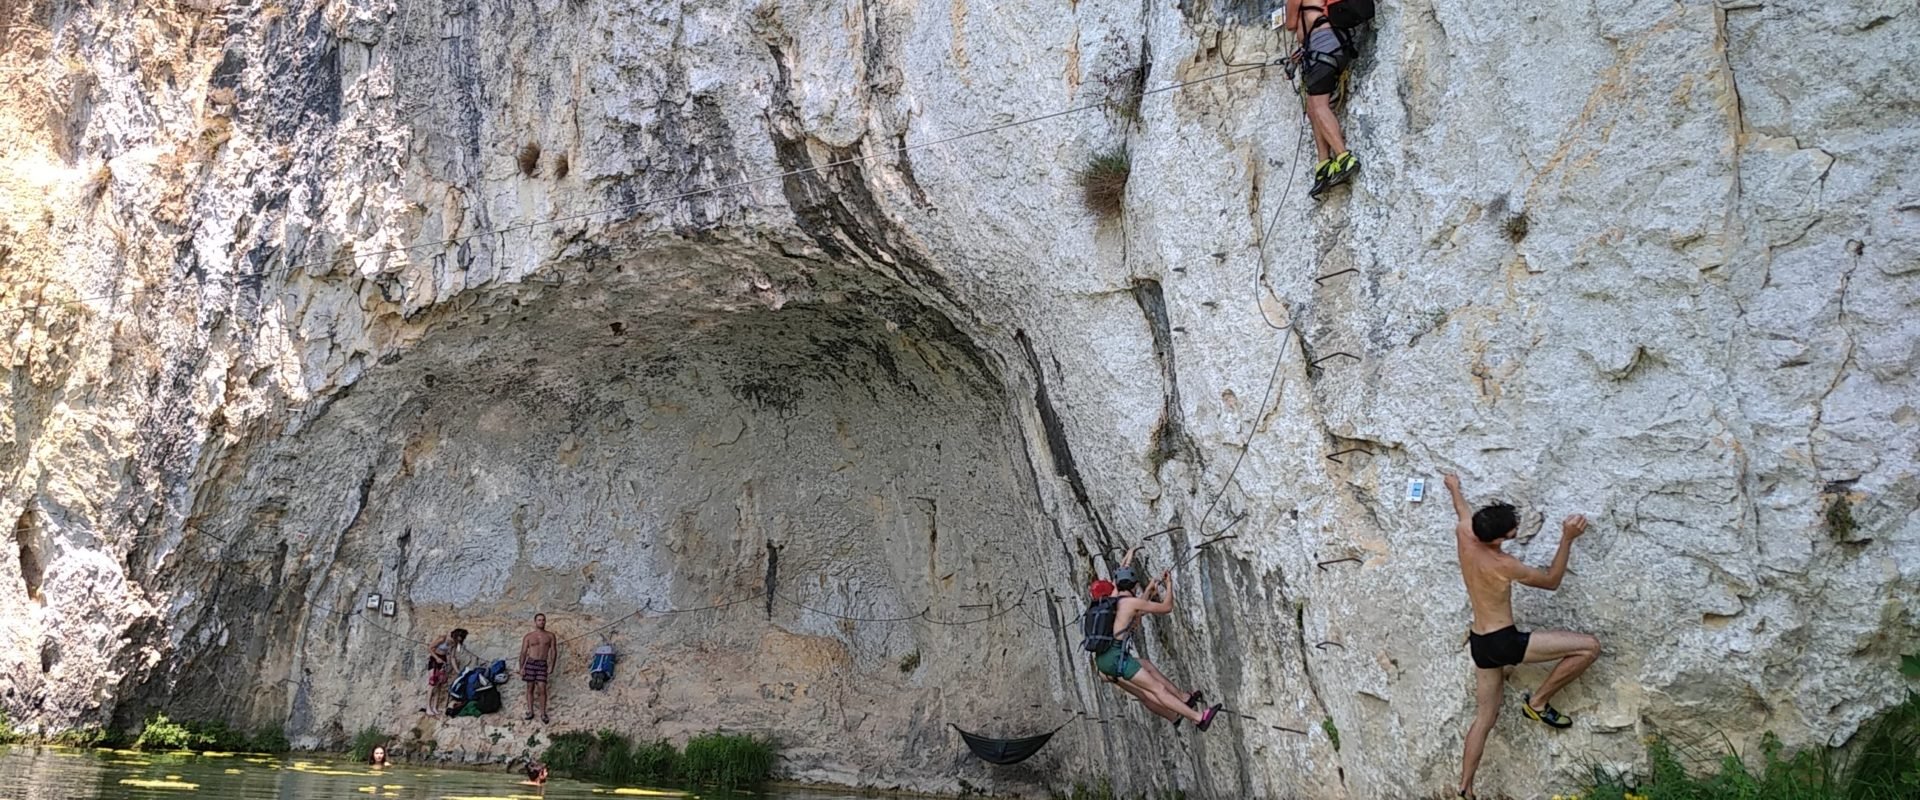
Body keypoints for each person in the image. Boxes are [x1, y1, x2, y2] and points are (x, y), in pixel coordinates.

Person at [1446, 474, 1603, 799]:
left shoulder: (1465, 535)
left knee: (1485, 716)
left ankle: (1465, 787)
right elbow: (1551, 581)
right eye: (1512, 529)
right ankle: (1538, 701)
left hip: (1481, 644)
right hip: (1505, 642)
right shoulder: (1505, 564)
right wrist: (1567, 538)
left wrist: (1454, 487)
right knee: (1589, 648)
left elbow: (1462, 511)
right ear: (1501, 538)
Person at [1083, 549, 1221, 730]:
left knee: (1147, 667)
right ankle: (1198, 718)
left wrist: (1131, 556)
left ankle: (1183, 698)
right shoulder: (1123, 600)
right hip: (1115, 659)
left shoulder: (1108, 603)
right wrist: (1169, 584)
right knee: (1155, 691)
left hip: (1105, 659)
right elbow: (1166, 607)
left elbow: (1123, 573)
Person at [1284, 0, 1363, 197]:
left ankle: (1344, 158)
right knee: (1312, 108)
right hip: (1332, 45)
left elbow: (1291, 24)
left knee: (1319, 105)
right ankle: (1324, 165)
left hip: (1323, 46)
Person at [520, 613, 559, 723]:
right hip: (531, 663)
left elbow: (553, 651)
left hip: (542, 664)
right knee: (530, 687)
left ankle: (543, 713)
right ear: (535, 622)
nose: (541, 622)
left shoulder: (550, 636)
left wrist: (552, 665)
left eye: (543, 620)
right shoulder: (528, 636)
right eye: (539, 620)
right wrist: (521, 668)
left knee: (542, 688)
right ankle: (530, 711)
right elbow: (523, 653)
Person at [424, 628, 469, 717]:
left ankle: (435, 707)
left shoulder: (454, 644)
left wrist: (457, 671)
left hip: (443, 660)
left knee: (439, 684)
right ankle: (428, 707)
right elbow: (430, 648)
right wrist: (436, 658)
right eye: (457, 639)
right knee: (432, 684)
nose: (456, 641)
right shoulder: (443, 638)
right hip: (434, 659)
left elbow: (452, 657)